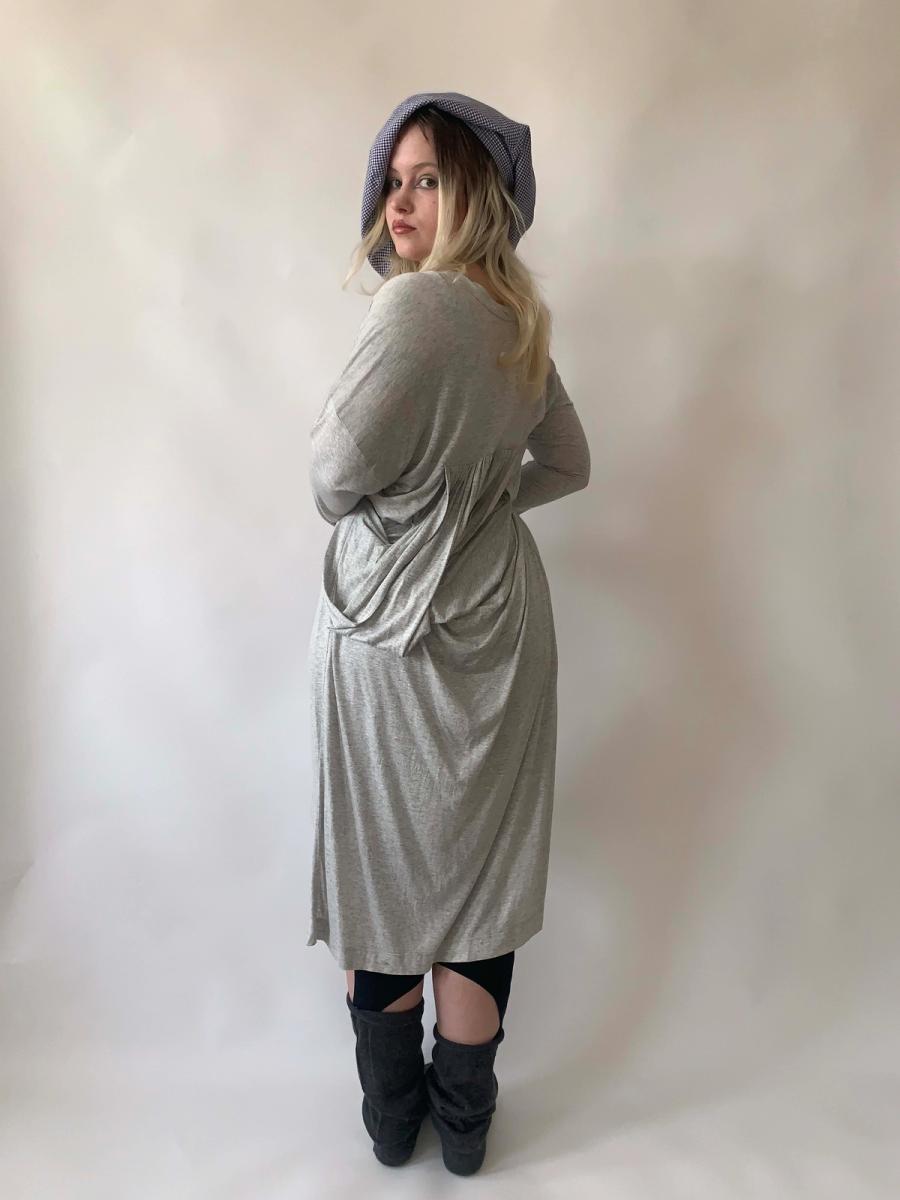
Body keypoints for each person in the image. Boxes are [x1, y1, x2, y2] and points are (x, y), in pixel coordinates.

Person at [306, 93, 591, 1174]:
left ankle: (394, 1126)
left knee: (385, 869)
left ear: (476, 192)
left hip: (393, 632)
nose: (401, 201)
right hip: (501, 626)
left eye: (428, 179)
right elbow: (568, 464)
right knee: (478, 879)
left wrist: (417, 508)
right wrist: (480, 502)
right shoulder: (518, 322)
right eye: (394, 180)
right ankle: (466, 1135)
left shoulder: (416, 306)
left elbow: (331, 480)